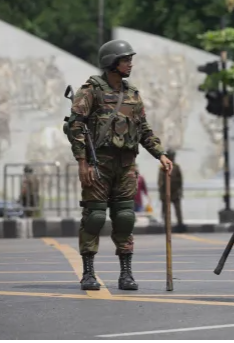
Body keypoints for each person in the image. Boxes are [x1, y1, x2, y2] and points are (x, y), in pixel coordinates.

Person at [65, 39, 173, 292]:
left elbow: (143, 129)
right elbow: (75, 126)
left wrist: (160, 154)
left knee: (125, 217)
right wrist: (82, 162)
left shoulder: (132, 93)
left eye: (130, 60)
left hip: (126, 165)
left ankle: (126, 273)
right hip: (98, 164)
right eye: (126, 60)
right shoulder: (91, 90)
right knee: (95, 217)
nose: (130, 64)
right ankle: (88, 272)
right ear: (111, 62)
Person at [157, 149, 184, 229]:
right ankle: (167, 225)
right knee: (166, 211)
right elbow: (160, 181)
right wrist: (161, 192)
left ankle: (180, 225)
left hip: (175, 192)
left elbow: (180, 180)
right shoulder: (163, 167)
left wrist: (180, 191)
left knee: (178, 210)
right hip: (165, 193)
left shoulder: (176, 167)